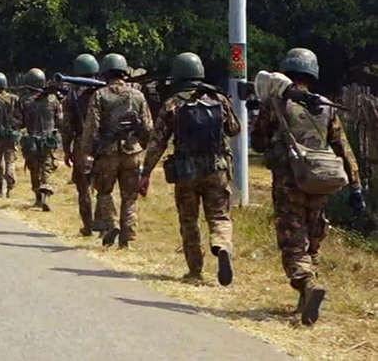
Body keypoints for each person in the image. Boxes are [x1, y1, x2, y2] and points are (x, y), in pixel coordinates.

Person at [251, 48, 364, 326]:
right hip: (320, 181)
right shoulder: (326, 106)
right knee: (313, 239)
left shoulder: (276, 103)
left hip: (289, 182)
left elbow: (258, 142)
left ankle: (307, 284)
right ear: (312, 74)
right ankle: (306, 300)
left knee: (292, 240)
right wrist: (356, 187)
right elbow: (343, 148)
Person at [141, 52, 239, 284]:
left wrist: (145, 173)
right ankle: (222, 245)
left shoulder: (172, 104)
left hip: (186, 171)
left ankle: (195, 270)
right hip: (217, 168)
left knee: (189, 220)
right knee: (219, 215)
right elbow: (234, 128)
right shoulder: (218, 98)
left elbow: (157, 142)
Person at [81, 54, 153, 248]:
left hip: (107, 153)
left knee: (104, 192)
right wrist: (141, 145)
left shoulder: (99, 95)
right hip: (132, 153)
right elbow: (148, 127)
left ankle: (112, 224)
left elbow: (91, 128)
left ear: (105, 72)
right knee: (130, 198)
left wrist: (87, 153)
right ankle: (127, 239)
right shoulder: (137, 95)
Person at [61, 54, 103, 235]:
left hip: (81, 145)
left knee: (83, 188)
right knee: (103, 187)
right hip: (103, 145)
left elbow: (67, 127)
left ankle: (88, 226)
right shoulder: (104, 92)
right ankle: (103, 224)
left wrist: (66, 149)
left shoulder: (72, 97)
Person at [16, 68, 63, 211]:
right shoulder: (53, 99)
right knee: (47, 167)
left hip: (32, 141)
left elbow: (20, 122)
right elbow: (60, 120)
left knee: (34, 169)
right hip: (49, 140)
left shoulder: (24, 100)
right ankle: (46, 196)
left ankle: (38, 199)